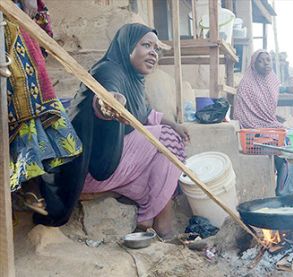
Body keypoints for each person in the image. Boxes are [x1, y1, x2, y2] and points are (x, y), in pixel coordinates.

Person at [35, 23, 190, 238]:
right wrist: (107, 106)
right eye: (146, 45)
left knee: (162, 160)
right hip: (91, 168)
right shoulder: (108, 70)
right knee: (167, 139)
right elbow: (105, 99)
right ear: (126, 46)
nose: (154, 53)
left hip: (116, 162)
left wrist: (175, 124)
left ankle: (147, 224)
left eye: (156, 49)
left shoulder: (134, 80)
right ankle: (157, 223)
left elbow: (145, 113)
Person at [7, 0, 82, 215]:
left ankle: (29, 185)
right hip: (10, 21)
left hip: (12, 21)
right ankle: (27, 185)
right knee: (21, 88)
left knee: (28, 90)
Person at [233, 49, 283, 128]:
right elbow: (241, 115)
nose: (266, 63)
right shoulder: (246, 83)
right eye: (260, 61)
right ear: (254, 65)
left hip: (269, 122)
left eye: (268, 60)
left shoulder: (274, 81)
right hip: (250, 124)